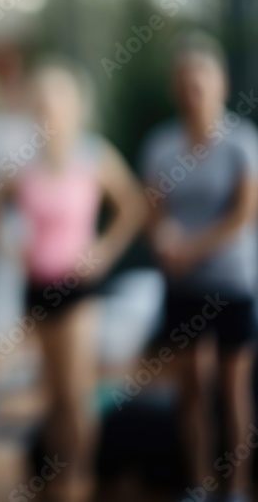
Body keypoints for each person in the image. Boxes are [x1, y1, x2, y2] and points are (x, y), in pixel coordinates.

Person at [14, 63, 146, 502]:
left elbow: (133, 207)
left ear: (73, 108)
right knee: (51, 395)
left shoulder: (93, 156)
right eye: (42, 103)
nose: (48, 111)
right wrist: (6, 246)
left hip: (78, 290)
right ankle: (57, 484)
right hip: (36, 287)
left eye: (56, 102)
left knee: (75, 395)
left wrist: (104, 251)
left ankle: (79, 482)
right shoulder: (25, 163)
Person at [140, 33, 258, 502]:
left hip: (232, 282)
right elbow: (152, 209)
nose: (195, 90)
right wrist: (165, 240)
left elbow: (243, 216)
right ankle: (198, 484)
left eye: (202, 81)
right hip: (182, 285)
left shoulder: (243, 143)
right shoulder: (161, 146)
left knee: (232, 389)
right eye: (186, 82)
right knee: (191, 388)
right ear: (177, 87)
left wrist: (192, 248)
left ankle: (238, 487)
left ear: (220, 84)